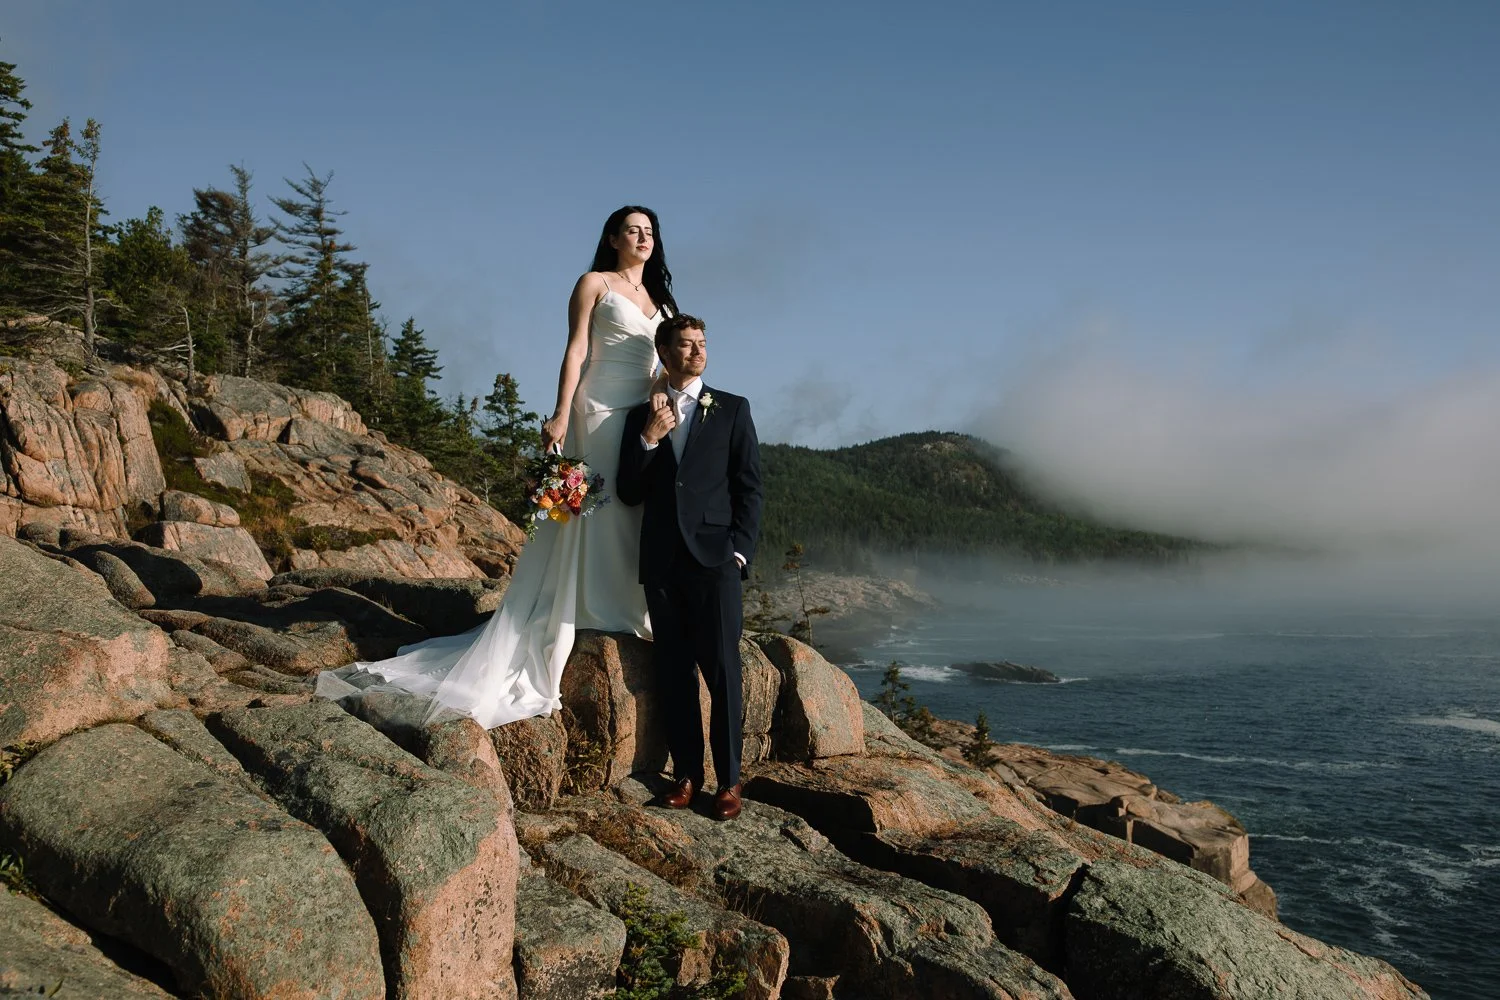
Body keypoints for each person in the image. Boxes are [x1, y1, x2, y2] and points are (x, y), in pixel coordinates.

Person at [315, 206, 675, 728]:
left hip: (640, 415)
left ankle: (622, 604)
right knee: (590, 509)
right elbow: (575, 351)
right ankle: (582, 608)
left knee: (630, 506)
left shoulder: (661, 299)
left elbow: (664, 365)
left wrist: (668, 406)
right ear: (613, 237)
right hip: (595, 411)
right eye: (633, 230)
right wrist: (558, 412)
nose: (642, 238)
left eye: (649, 232)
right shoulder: (593, 283)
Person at [617, 313, 763, 820]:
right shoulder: (642, 416)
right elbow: (628, 491)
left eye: (702, 343)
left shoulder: (732, 409)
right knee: (674, 672)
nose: (697, 351)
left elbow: (749, 488)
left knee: (723, 672)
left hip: (715, 562)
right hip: (662, 562)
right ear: (665, 352)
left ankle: (728, 783)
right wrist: (650, 440)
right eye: (686, 344)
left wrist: (739, 551)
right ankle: (687, 775)